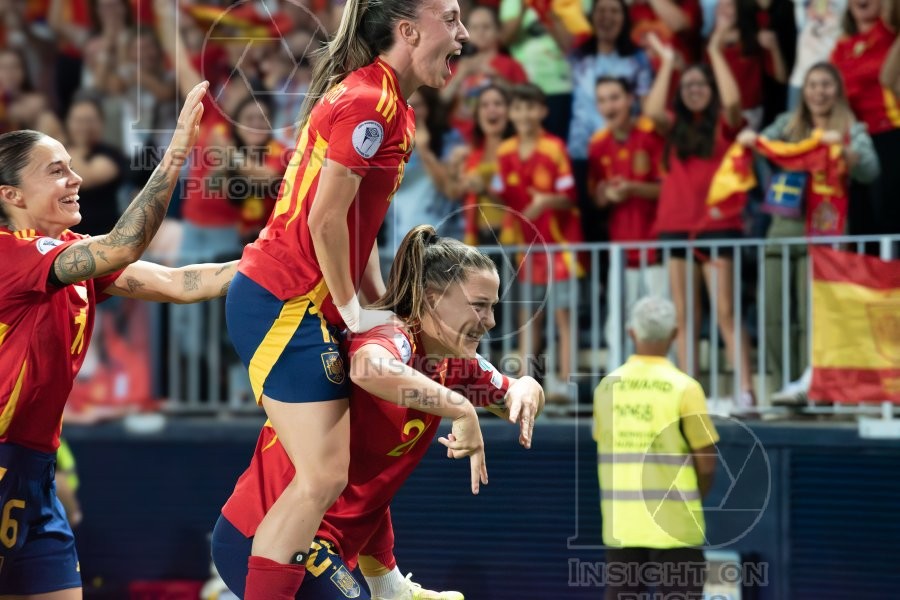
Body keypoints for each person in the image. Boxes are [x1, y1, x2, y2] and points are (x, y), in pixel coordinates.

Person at [224, 2, 469, 598]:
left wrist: (377, 302)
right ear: (408, 31)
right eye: (451, 19)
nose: (463, 34)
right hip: (285, 301)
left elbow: (360, 221)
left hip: (305, 302)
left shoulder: (395, 107)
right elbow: (326, 219)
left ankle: (380, 579)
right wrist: (356, 313)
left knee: (339, 463)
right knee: (324, 476)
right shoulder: (370, 102)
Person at [0, 80, 240, 599]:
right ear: (11, 195)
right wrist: (175, 156)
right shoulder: (7, 253)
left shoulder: (69, 254)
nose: (76, 178)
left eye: (71, 166)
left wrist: (283, 263)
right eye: (56, 170)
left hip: (35, 473)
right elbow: (124, 245)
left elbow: (177, 283)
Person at [214, 225, 544, 600]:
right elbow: (368, 368)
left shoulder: (455, 363)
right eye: (479, 305)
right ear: (432, 299)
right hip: (263, 532)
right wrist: (461, 408)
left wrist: (526, 387)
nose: (491, 321)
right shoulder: (390, 333)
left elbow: (516, 393)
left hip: (325, 543)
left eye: (493, 307)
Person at [737, 62, 879, 396]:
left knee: (812, 315)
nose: (819, 92)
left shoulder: (851, 127)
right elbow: (759, 148)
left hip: (826, 231)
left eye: (826, 85)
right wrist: (750, 140)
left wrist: (846, 153)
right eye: (813, 85)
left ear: (838, 90)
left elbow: (871, 170)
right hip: (782, 228)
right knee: (773, 312)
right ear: (804, 92)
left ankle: (811, 390)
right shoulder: (787, 125)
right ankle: (779, 389)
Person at [644, 30, 754, 407]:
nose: (694, 90)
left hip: (718, 227)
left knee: (725, 311)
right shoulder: (674, 126)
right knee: (685, 316)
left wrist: (714, 51)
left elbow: (734, 100)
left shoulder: (726, 122)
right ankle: (691, 394)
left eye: (701, 84)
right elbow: (652, 111)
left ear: (712, 89)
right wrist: (668, 64)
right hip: (676, 227)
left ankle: (745, 391)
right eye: (688, 85)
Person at [593, 296, 719, 600]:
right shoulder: (685, 388)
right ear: (675, 334)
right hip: (677, 525)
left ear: (631, 333)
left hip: (622, 525)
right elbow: (707, 464)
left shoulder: (606, 387)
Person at [492, 83, 583, 403]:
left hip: (559, 247)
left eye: (530, 107)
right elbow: (499, 196)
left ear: (543, 111)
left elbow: (570, 197)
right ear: (510, 113)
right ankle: (525, 387)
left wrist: (545, 201)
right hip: (525, 250)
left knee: (563, 317)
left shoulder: (554, 148)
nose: (524, 114)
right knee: (528, 318)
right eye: (518, 108)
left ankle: (566, 385)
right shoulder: (504, 152)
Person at [587, 77, 666, 369]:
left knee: (660, 319)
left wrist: (632, 188)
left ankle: (664, 381)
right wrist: (606, 194)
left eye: (615, 97)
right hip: (620, 250)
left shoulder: (651, 134)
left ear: (630, 100)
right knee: (617, 323)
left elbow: (669, 189)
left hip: (656, 248)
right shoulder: (597, 144)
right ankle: (616, 382)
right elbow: (596, 198)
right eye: (602, 100)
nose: (609, 106)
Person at [561, 0, 654, 241]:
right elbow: (557, 30)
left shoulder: (637, 58)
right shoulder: (578, 55)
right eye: (601, 11)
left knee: (624, 212)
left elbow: (646, 108)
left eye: (614, 11)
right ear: (592, 17)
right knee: (588, 217)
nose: (607, 17)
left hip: (624, 148)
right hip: (582, 149)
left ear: (625, 18)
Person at [831, 0, 900, 235]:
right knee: (860, 216)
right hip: (856, 139)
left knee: (889, 211)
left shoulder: (889, 32)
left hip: (891, 132)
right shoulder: (842, 46)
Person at [440, 6, 528, 140]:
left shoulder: (511, 65)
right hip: (458, 136)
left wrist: (496, 78)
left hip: (498, 134)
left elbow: (525, 100)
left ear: (498, 31)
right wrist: (459, 76)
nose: (480, 32)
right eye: (474, 28)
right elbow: (440, 102)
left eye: (486, 27)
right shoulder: (457, 66)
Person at [446, 83, 515, 247]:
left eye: (498, 104)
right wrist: (453, 170)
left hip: (513, 239)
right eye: (484, 105)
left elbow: (519, 200)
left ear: (510, 112)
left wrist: (484, 190)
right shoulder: (471, 156)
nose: (491, 110)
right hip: (478, 240)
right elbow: (453, 193)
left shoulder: (517, 152)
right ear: (477, 115)